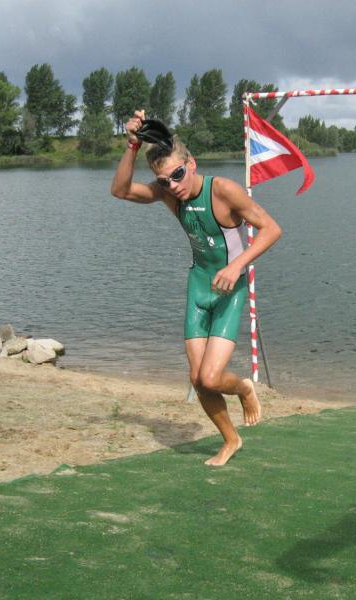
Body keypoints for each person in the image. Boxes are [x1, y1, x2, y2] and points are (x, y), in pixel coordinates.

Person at [110, 112, 282, 467]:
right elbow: (121, 190)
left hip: (229, 290)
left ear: (191, 164)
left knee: (211, 377)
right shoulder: (170, 195)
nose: (173, 185)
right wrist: (132, 145)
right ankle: (231, 439)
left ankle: (244, 387)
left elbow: (271, 229)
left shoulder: (222, 190)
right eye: (164, 180)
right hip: (199, 286)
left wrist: (236, 266)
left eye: (177, 174)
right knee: (197, 379)